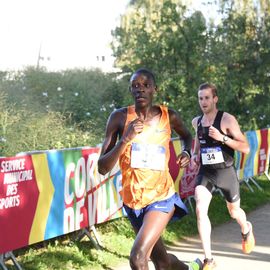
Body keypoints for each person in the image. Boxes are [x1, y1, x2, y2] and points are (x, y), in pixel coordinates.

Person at [98, 68, 203, 270]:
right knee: (162, 263)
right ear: (130, 90)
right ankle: (190, 268)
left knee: (138, 258)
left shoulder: (168, 116)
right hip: (133, 202)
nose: (141, 89)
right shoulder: (119, 118)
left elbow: (187, 136)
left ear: (155, 89)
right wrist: (125, 139)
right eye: (135, 86)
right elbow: (103, 167)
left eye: (146, 85)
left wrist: (187, 153)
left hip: (162, 197)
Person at [191, 83, 255, 270]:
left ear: (215, 99)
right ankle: (209, 260)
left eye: (207, 98)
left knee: (234, 212)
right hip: (206, 172)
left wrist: (222, 138)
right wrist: (194, 156)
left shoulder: (227, 120)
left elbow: (246, 147)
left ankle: (246, 228)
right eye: (200, 98)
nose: (203, 102)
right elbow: (198, 144)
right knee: (200, 208)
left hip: (226, 172)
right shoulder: (196, 122)